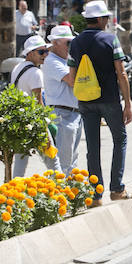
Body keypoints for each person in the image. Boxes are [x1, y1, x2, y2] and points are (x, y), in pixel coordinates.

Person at [68, 0, 132, 207]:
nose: (107, 21)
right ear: (99, 19)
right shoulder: (110, 39)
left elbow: (71, 76)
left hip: (85, 101)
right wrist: (128, 103)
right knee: (120, 140)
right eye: (105, 17)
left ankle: (96, 195)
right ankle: (117, 189)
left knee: (93, 147)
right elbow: (121, 73)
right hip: (109, 99)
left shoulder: (76, 42)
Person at [11, 35, 55, 177]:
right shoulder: (36, 73)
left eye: (46, 51)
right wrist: (45, 132)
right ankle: (62, 191)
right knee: (53, 161)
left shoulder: (17, 68)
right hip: (34, 123)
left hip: (20, 121)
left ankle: (13, 191)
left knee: (20, 162)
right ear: (30, 53)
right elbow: (38, 103)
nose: (45, 55)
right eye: (41, 52)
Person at [43, 25, 82, 173]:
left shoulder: (66, 59)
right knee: (63, 163)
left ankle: (71, 194)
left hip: (75, 113)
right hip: (62, 114)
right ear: (55, 43)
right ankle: (60, 194)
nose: (70, 47)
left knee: (72, 161)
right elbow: (72, 80)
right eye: (68, 43)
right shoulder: (51, 61)